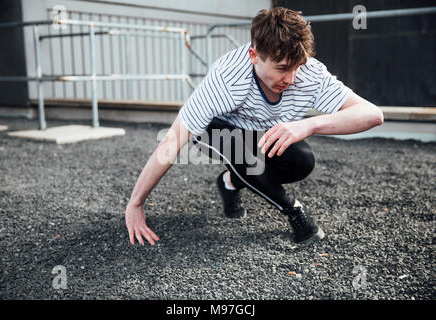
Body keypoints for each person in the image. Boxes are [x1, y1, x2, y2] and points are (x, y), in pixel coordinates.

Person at [125, 7, 383, 247]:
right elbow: (173, 139)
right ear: (254, 56)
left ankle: (229, 182)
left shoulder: (309, 74)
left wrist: (310, 125)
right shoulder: (227, 79)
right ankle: (294, 210)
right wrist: (135, 204)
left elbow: (372, 114)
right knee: (244, 154)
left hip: (259, 132)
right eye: (282, 69)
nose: (291, 79)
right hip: (217, 129)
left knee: (301, 160)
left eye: (297, 67)